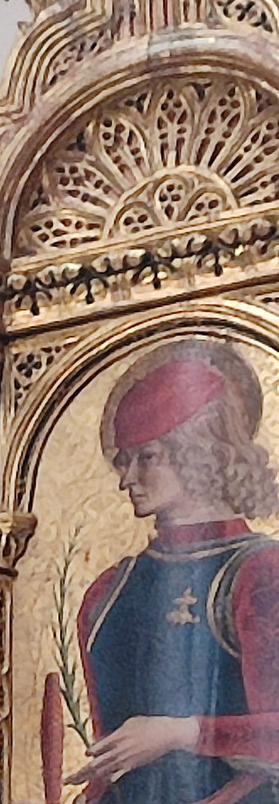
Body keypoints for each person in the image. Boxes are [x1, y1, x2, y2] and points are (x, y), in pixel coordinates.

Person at [66, 340, 279, 804]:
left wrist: (180, 732)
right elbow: (113, 758)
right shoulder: (108, 592)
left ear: (198, 451)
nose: (127, 478)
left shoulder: (260, 572)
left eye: (147, 456)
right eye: (123, 460)